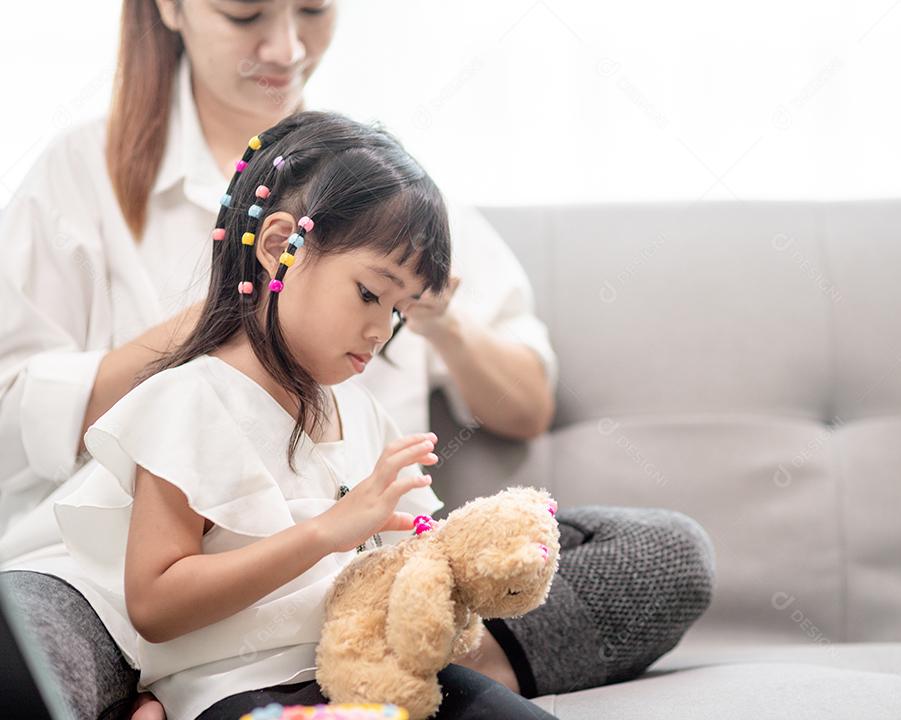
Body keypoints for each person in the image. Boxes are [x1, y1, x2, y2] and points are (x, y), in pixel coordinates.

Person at [0, 1, 716, 716]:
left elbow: (523, 406)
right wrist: (235, 317)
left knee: (661, 554)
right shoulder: (85, 180)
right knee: (24, 637)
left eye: (313, 9)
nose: (285, 47)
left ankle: (390, 662)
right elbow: (20, 413)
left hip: (353, 600)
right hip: (108, 591)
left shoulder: (386, 188)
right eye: (246, 14)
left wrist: (439, 321)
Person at [5, 111, 559, 720]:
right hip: (243, 688)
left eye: (399, 310)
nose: (380, 330)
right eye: (371, 294)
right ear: (278, 248)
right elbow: (155, 604)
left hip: (380, 670)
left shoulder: (360, 408)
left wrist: (466, 550)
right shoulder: (186, 401)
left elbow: (408, 552)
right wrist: (327, 531)